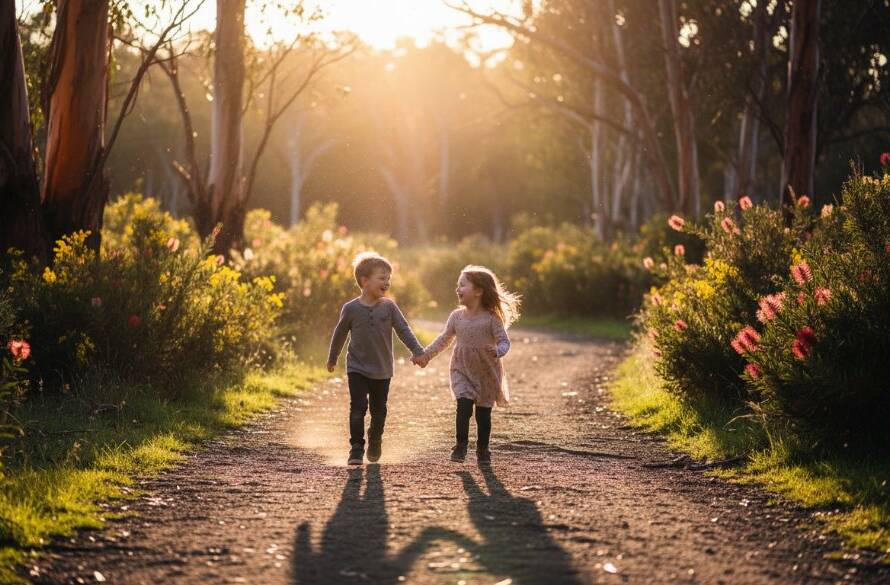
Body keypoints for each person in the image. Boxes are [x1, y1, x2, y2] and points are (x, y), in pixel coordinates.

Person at [414, 265, 521, 465]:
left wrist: (499, 351)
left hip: (486, 372)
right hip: (461, 369)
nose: (458, 289)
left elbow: (504, 341)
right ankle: (461, 446)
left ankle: (483, 449)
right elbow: (444, 339)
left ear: (479, 291)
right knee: (463, 405)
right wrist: (426, 355)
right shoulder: (456, 317)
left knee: (483, 415)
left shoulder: (491, 318)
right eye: (458, 285)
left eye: (462, 285)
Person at [327, 252, 425, 466]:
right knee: (358, 407)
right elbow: (340, 333)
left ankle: (375, 439)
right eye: (382, 278)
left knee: (379, 411)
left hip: (382, 369)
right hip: (357, 367)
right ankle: (356, 448)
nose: (387, 282)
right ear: (364, 281)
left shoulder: (389, 307)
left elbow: (404, 330)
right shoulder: (351, 308)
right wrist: (333, 357)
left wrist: (418, 351)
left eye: (388, 278)